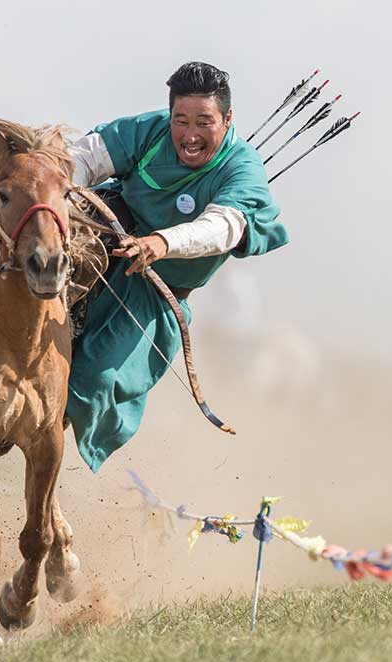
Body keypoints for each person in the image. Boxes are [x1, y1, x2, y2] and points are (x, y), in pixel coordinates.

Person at [65, 61, 289, 472]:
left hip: (152, 299)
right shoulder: (148, 132)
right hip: (100, 255)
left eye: (204, 122)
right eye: (180, 120)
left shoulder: (242, 168)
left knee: (91, 382)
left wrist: (163, 242)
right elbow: (82, 158)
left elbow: (222, 226)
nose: (189, 135)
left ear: (227, 119)